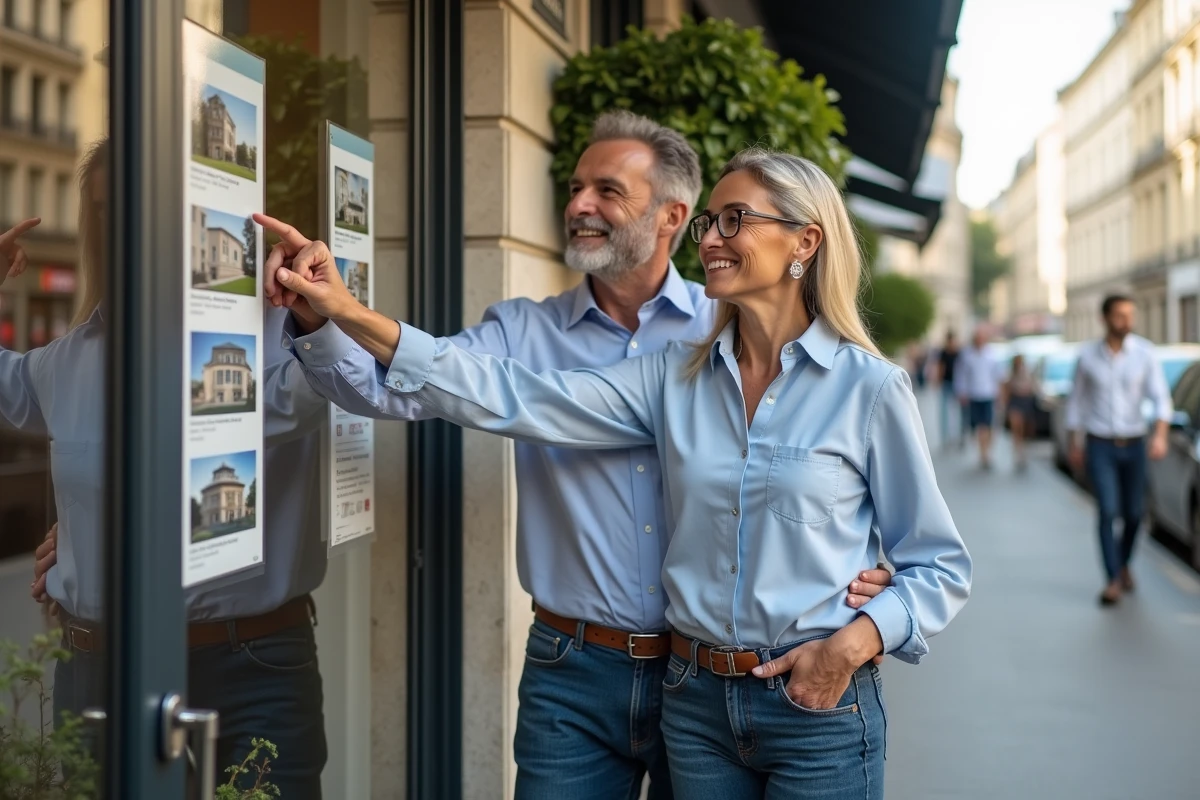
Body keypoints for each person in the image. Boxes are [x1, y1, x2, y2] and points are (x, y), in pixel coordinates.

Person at [265, 146, 972, 798]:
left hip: (814, 706)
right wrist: (346, 313)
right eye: (710, 223)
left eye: (734, 219)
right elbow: (513, 391)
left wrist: (857, 640)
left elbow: (938, 564)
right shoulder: (674, 376)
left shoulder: (869, 388)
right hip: (693, 701)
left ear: (805, 241)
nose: (711, 239)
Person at [6, 140, 331, 798]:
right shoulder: (72, 359)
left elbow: (371, 377)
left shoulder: (282, 340)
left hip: (251, 667)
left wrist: (324, 302)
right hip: (102, 671)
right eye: (108, 211)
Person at [1065, 295, 1171, 607]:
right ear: (1105, 318)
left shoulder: (1145, 353)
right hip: (1100, 444)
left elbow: (1161, 399)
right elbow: (1076, 402)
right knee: (1108, 510)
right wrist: (1074, 442)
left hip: (1135, 443)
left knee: (1135, 514)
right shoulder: (1087, 356)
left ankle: (1123, 563)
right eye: (1120, 315)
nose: (1127, 321)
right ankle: (1111, 579)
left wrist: (1160, 436)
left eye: (1130, 315)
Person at [954, 329, 1003, 470]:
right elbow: (961, 375)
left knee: (989, 425)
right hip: (974, 395)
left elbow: (998, 375)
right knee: (980, 426)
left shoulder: (991, 354)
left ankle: (986, 452)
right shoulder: (967, 355)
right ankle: (983, 454)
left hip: (989, 394)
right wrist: (961, 392)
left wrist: (1000, 394)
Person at [1003, 353, 1036, 471]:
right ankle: (1017, 452)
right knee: (1016, 427)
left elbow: (1033, 387)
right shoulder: (1010, 374)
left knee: (1023, 430)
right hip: (1015, 402)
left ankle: (1022, 452)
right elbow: (1006, 389)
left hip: (1025, 402)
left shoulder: (1027, 372)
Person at [936, 330, 962, 448]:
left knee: (957, 413)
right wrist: (939, 380)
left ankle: (957, 436)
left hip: (957, 384)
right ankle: (945, 438)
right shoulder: (943, 353)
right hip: (946, 383)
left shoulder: (958, 353)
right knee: (945, 412)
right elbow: (940, 367)